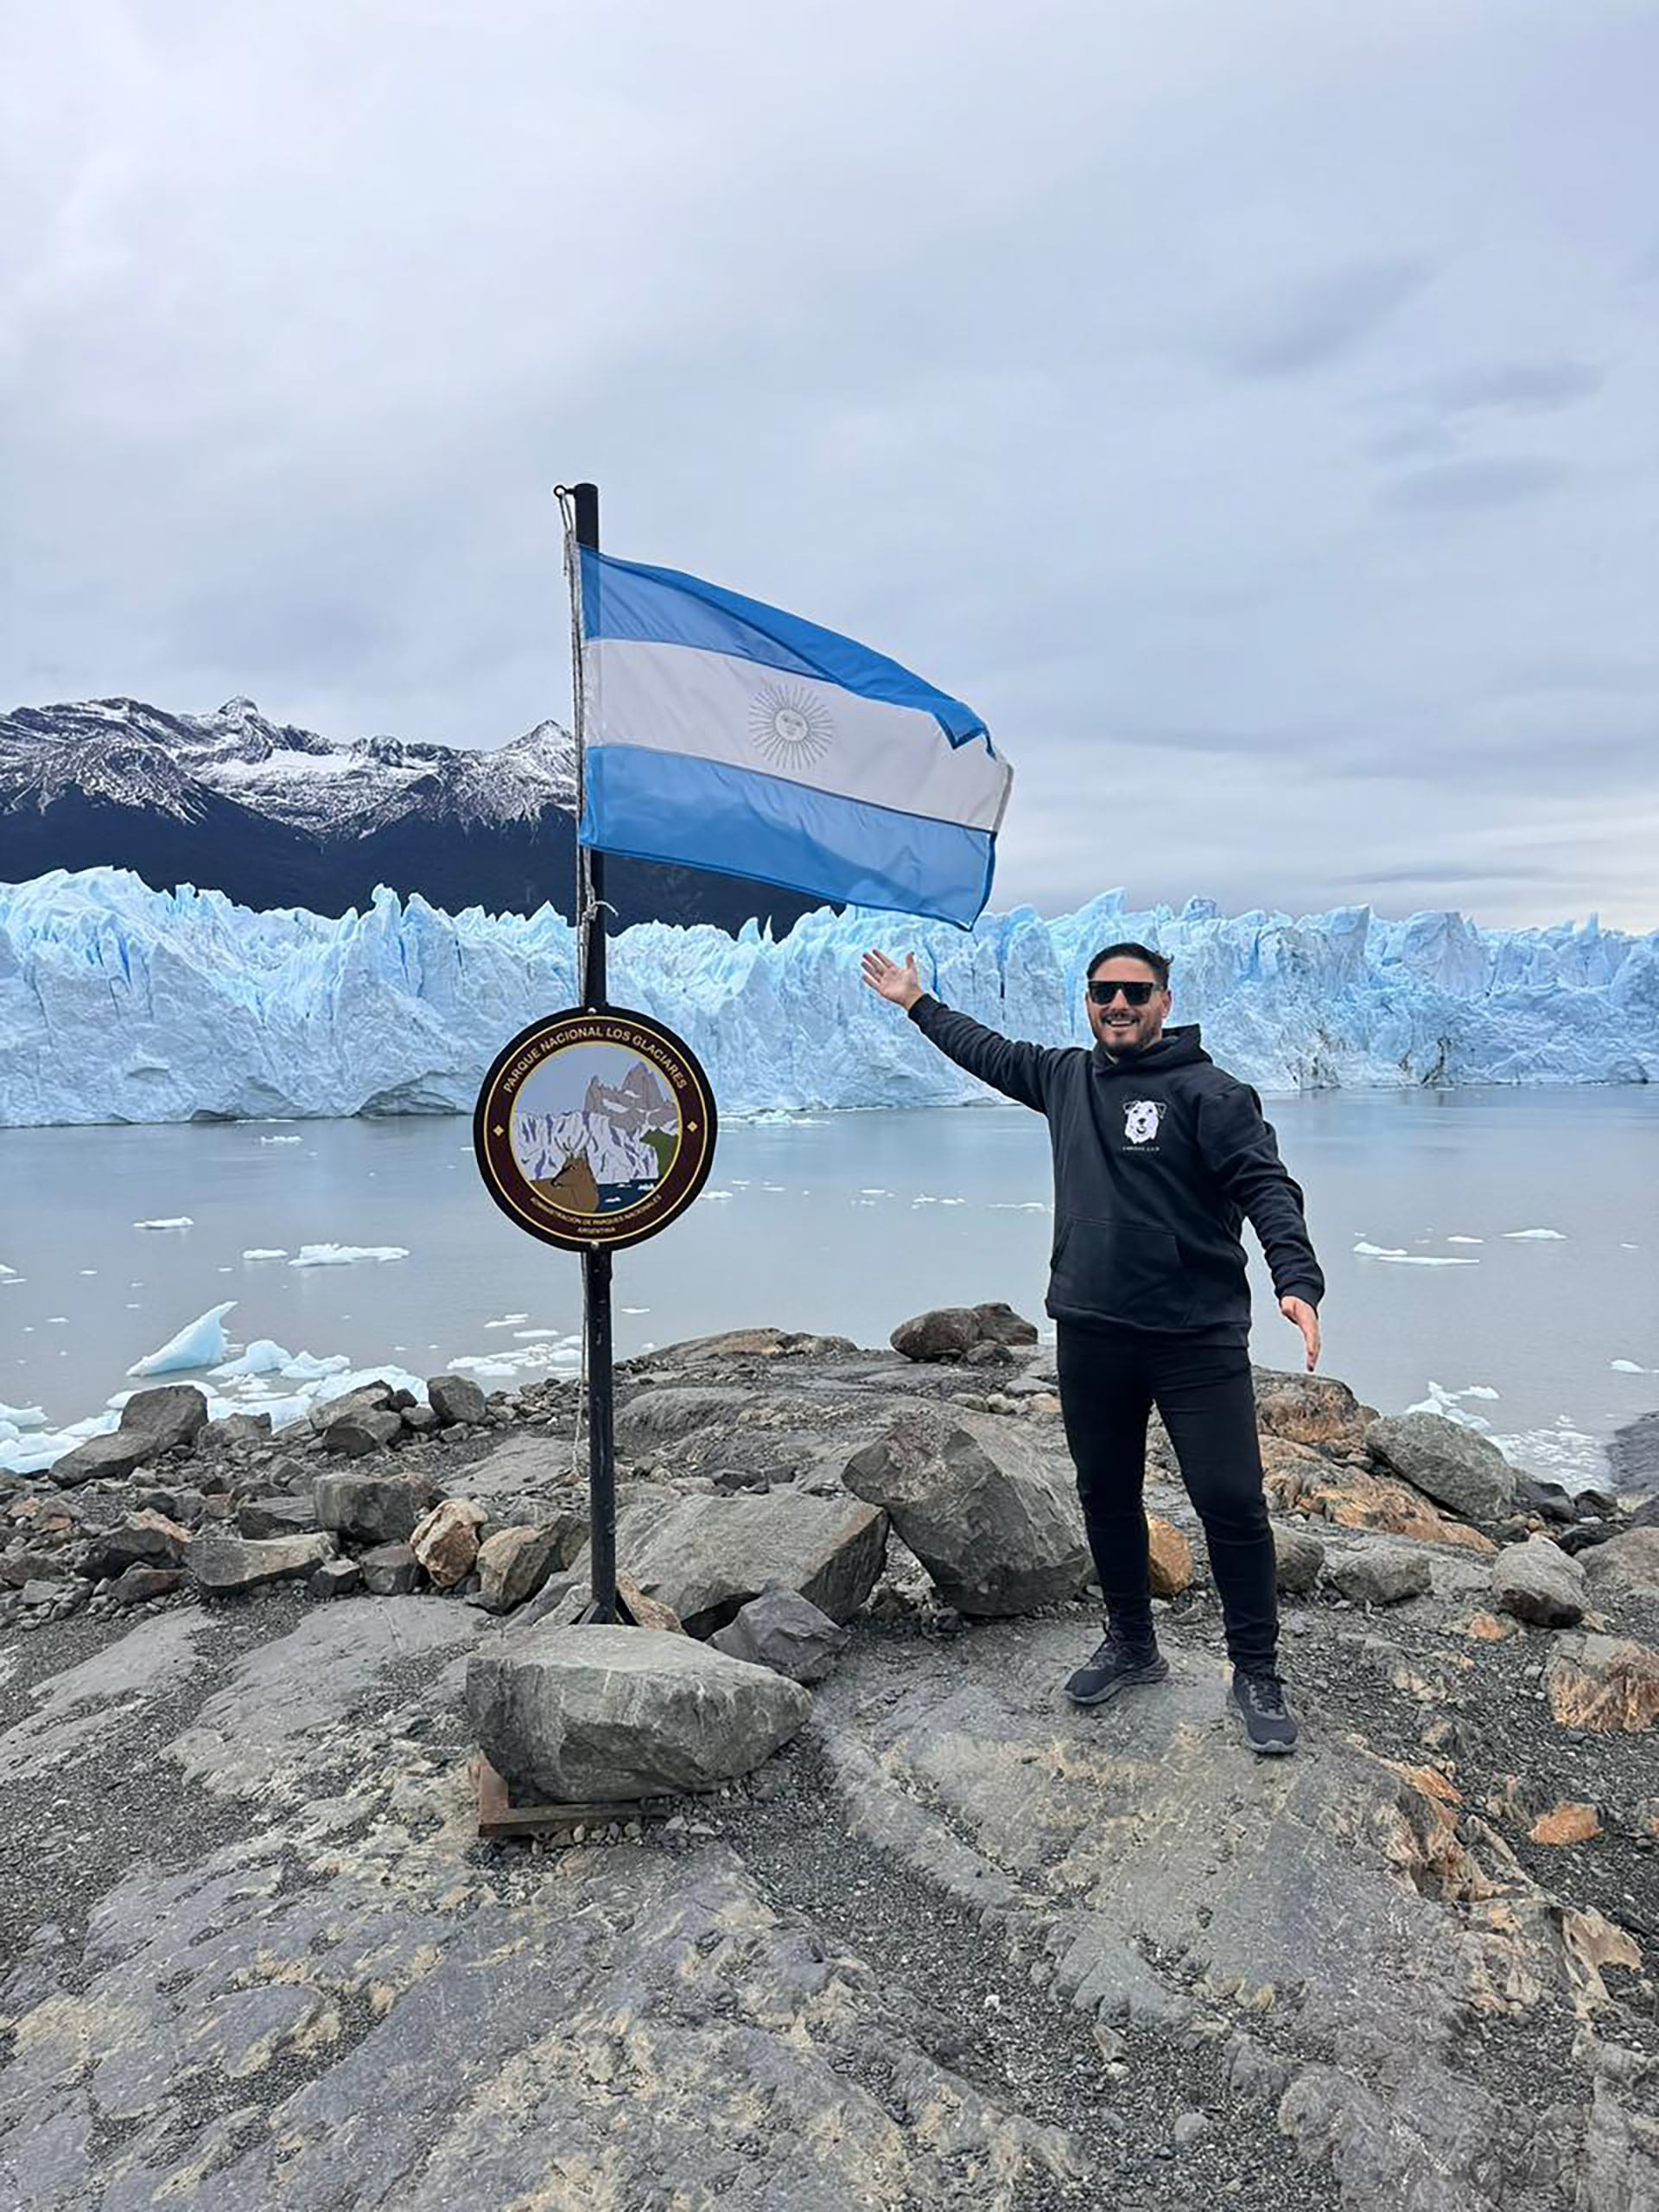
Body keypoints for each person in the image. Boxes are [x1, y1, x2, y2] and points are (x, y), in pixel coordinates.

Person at [860, 939, 1324, 1755]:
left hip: (1196, 1337)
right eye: (1104, 991)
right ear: (1088, 1001)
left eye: (1135, 992)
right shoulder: (1066, 1078)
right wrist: (915, 1002)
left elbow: (1265, 1185)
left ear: (1164, 1002)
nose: (1118, 1004)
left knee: (1233, 1505)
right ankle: (1133, 1644)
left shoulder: (1212, 1094)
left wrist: (1296, 1278)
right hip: (1093, 1329)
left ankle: (1256, 1672)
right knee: (1104, 1496)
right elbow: (988, 1052)